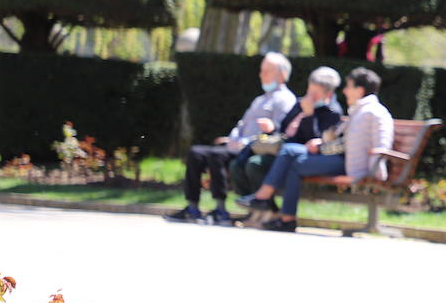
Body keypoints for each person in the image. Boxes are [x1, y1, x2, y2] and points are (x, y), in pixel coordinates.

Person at [242, 66, 394, 233]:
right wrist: (321, 142)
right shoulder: (361, 111)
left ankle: (269, 202)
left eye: (348, 86)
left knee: (291, 155)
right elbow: (343, 140)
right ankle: (284, 216)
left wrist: (322, 147)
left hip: (353, 165)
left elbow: (360, 145)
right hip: (344, 159)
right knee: (292, 156)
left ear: (360, 90)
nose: (344, 91)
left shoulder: (372, 112)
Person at [164, 53, 296, 226]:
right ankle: (192, 206)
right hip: (237, 145)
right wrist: (233, 138)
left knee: (216, 156)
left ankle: (220, 209)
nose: (261, 75)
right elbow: (242, 124)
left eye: (266, 71)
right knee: (196, 152)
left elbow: (279, 132)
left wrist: (245, 141)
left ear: (282, 75)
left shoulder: (285, 100)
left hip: (252, 148)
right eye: (261, 70)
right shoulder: (260, 99)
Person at [230, 66, 344, 201]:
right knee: (236, 165)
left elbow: (314, 142)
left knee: (255, 164)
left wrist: (309, 115)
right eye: (309, 90)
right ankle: (252, 210)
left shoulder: (332, 113)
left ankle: (266, 209)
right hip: (279, 148)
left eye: (315, 93)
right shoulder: (299, 104)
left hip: (295, 155)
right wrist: (271, 130)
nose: (310, 96)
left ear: (328, 95)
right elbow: (283, 130)